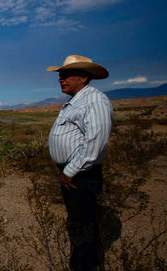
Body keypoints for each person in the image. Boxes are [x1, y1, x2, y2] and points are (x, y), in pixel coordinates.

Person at [47, 55, 113, 271]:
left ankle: (84, 266)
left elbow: (96, 143)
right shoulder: (77, 101)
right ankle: (82, 262)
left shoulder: (94, 100)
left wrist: (70, 171)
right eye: (60, 76)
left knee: (83, 224)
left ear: (83, 77)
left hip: (81, 175)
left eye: (65, 75)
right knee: (77, 221)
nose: (61, 80)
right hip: (73, 173)